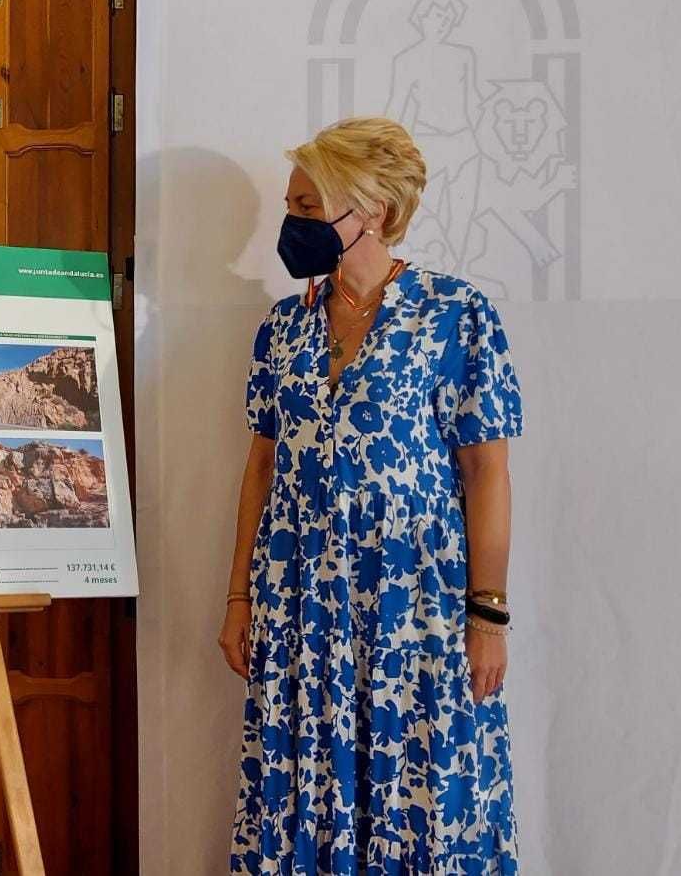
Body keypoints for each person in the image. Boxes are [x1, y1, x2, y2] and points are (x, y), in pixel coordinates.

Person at [220, 118, 522, 872]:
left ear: (376, 212)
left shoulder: (454, 315)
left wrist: (487, 614)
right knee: (306, 787)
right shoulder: (282, 329)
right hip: (300, 605)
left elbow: (487, 471)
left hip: (413, 606)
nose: (293, 225)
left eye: (309, 207)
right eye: (290, 207)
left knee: (420, 785)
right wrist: (237, 598)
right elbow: (262, 465)